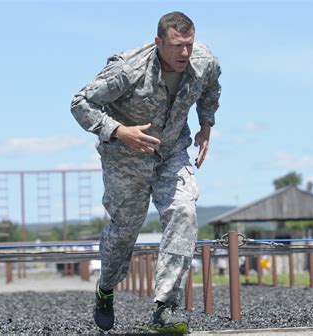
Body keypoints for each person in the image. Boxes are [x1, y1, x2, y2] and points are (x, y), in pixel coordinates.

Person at [70, 11, 221, 333]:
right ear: (158, 42)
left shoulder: (204, 61)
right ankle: (106, 288)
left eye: (189, 45)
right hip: (125, 157)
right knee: (124, 230)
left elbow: (211, 89)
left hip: (171, 152)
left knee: (183, 211)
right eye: (177, 46)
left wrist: (205, 126)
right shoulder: (128, 69)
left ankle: (165, 307)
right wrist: (118, 130)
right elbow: (81, 103)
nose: (184, 53)